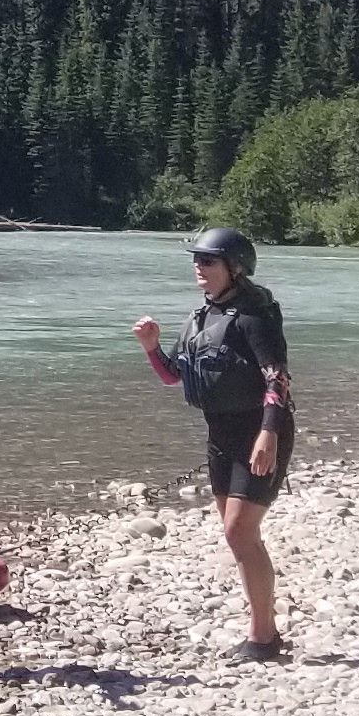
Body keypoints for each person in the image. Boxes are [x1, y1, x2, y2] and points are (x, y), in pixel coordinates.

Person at [134, 226, 295, 661]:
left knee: (240, 530)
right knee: (238, 536)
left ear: (235, 268)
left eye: (208, 261)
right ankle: (263, 631)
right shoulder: (201, 317)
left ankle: (263, 638)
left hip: (257, 431)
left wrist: (269, 433)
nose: (198, 268)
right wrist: (151, 347)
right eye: (196, 260)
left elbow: (276, 379)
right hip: (220, 433)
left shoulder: (255, 317)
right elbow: (174, 376)